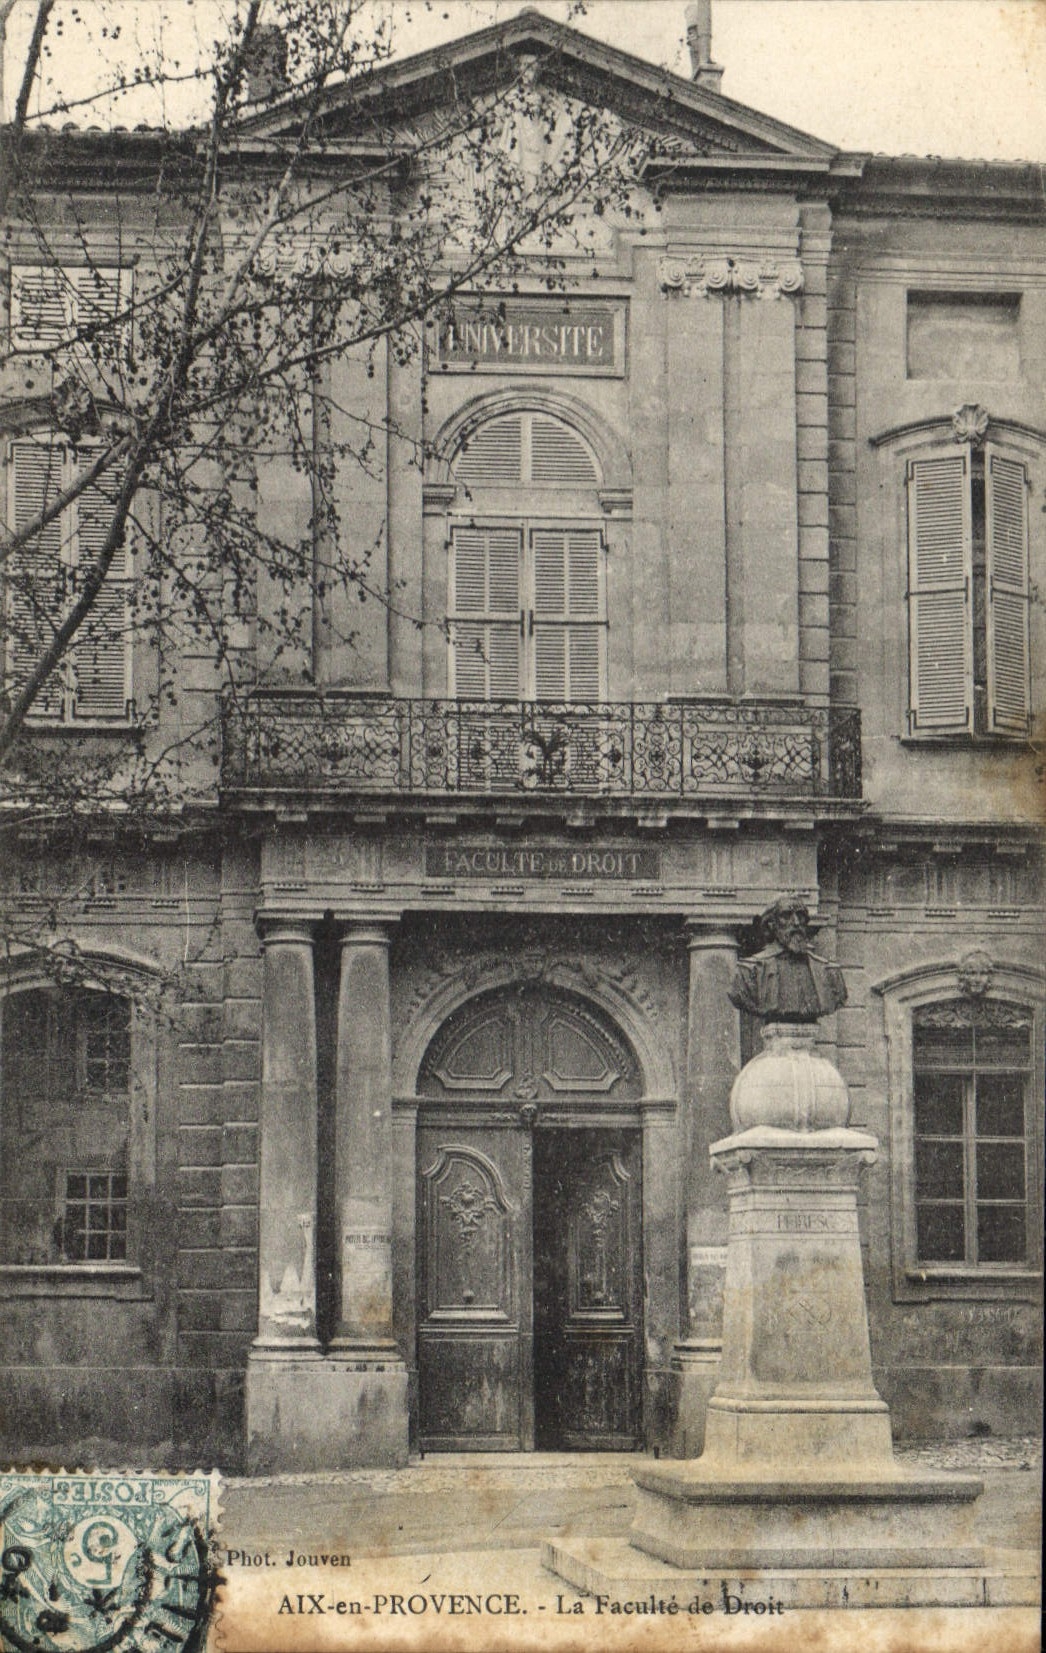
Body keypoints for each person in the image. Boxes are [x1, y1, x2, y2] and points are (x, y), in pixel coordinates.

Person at [729, 898, 847, 1023]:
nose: (796, 923)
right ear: (771, 924)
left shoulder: (828, 972)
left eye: (800, 916)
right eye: (786, 916)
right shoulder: (749, 971)